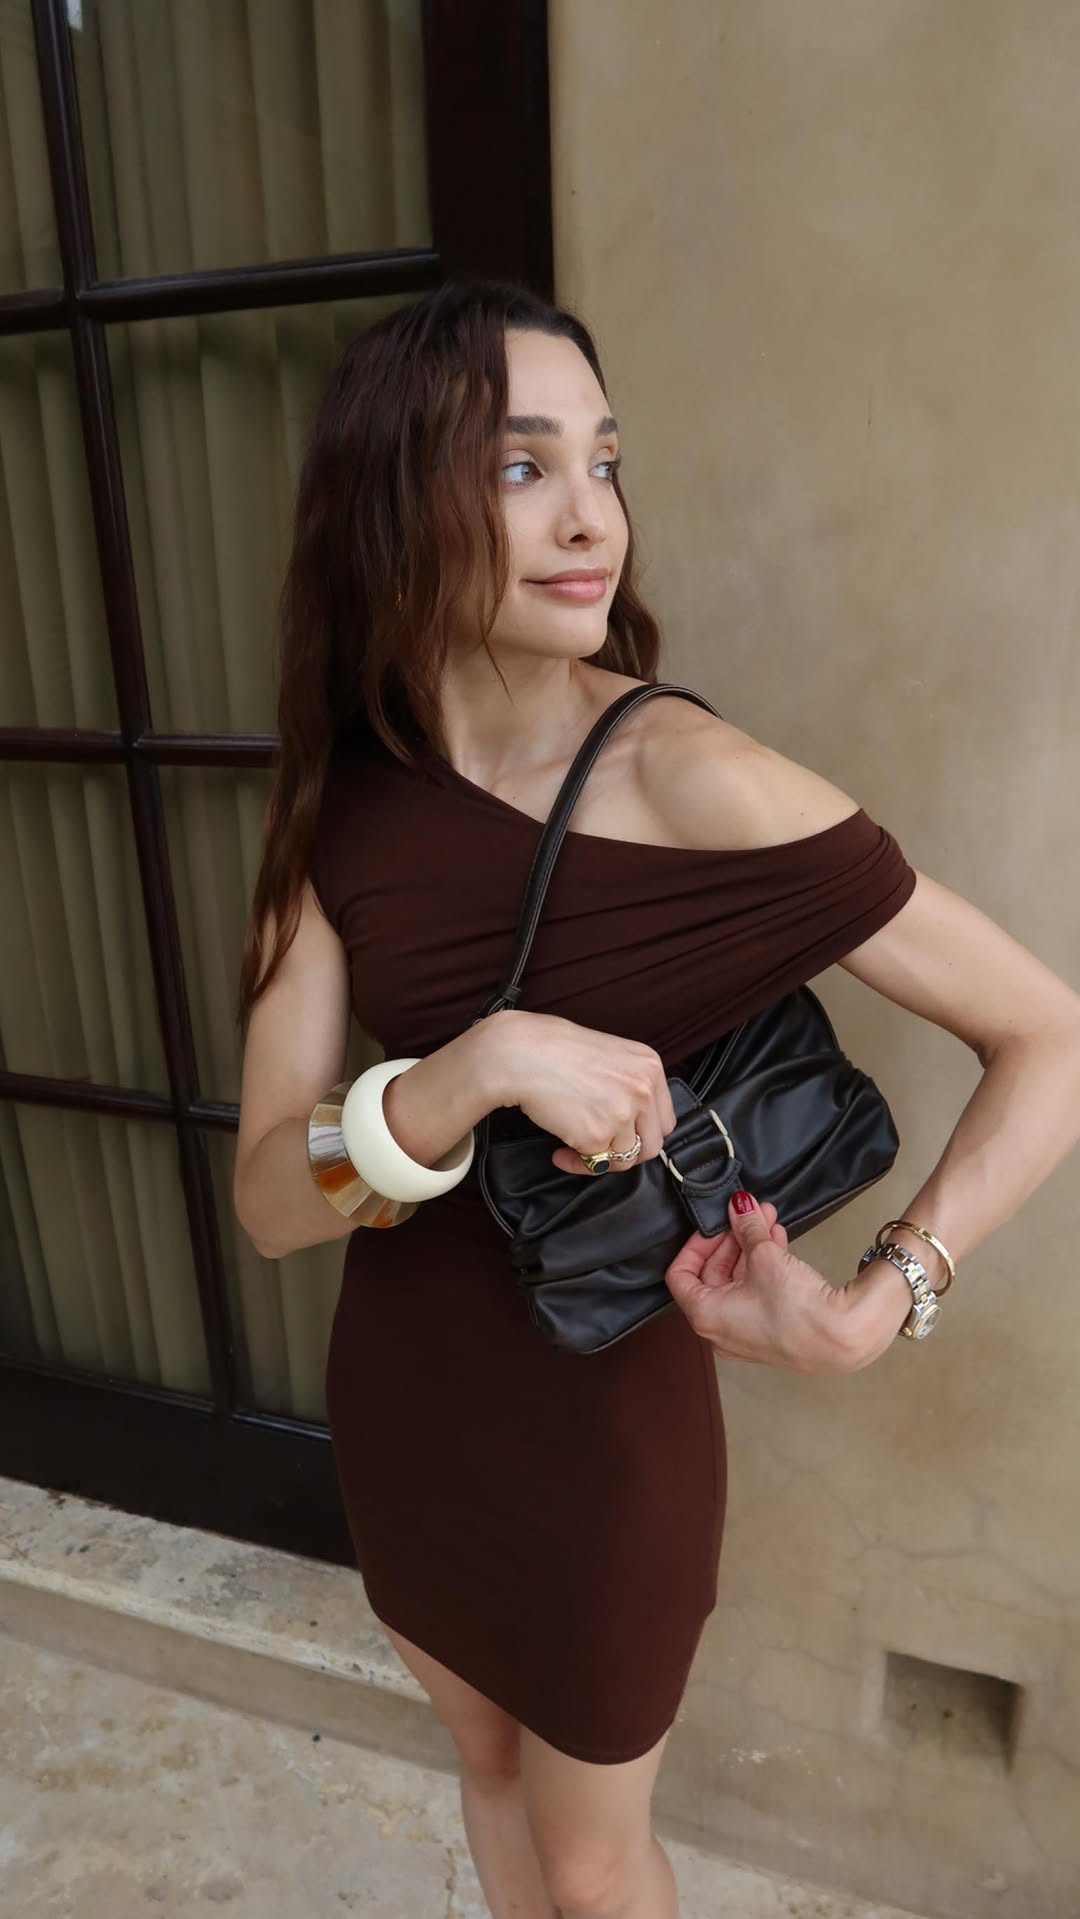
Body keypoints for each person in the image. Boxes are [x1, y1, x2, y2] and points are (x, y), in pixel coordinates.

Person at [233, 277, 1080, 1919]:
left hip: (606, 1441)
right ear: (392, 499)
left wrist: (879, 1302)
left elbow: (1050, 1035)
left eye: (604, 461)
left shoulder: (691, 778)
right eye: (522, 466)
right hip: (409, 1401)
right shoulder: (344, 802)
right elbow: (273, 1200)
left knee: (597, 1864)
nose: (590, 518)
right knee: (488, 1775)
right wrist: (471, 1069)